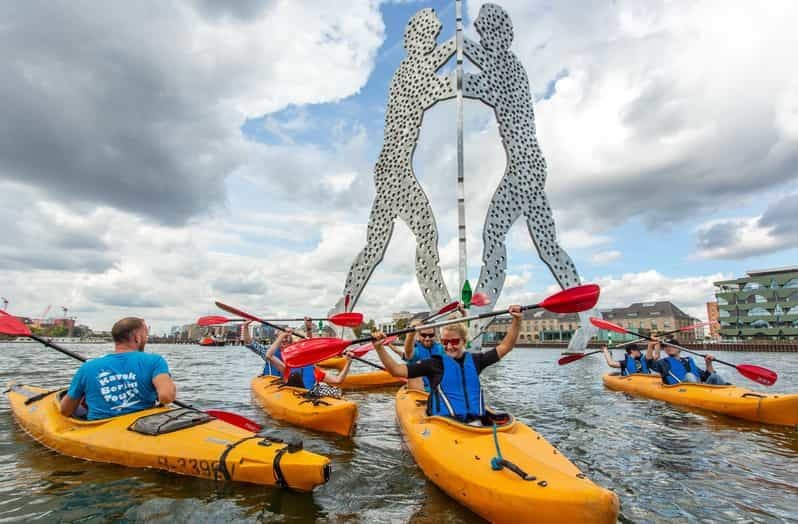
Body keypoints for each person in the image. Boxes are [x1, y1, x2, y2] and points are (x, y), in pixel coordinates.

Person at [372, 305, 522, 422]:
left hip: (476, 423)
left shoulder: (477, 360)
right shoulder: (433, 364)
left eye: (455, 341)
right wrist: (379, 348)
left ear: (464, 341)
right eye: (445, 342)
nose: (449, 347)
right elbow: (396, 370)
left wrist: (517, 320)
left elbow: (505, 347)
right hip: (443, 424)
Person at [60, 317, 176, 420]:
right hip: (139, 427)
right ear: (137, 337)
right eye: (146, 335)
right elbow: (166, 397)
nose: (146, 338)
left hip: (98, 431)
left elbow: (65, 410)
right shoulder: (154, 361)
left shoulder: (88, 367)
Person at [265, 322, 353, 396]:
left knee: (335, 390)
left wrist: (348, 362)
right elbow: (269, 356)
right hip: (293, 397)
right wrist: (283, 335)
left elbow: (338, 380)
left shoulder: (314, 371)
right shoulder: (287, 368)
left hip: (310, 396)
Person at [648, 338, 727, 385]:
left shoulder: (688, 361)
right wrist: (650, 346)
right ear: (664, 350)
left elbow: (706, 376)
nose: (669, 348)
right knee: (689, 375)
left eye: (672, 346)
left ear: (679, 348)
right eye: (666, 347)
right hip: (679, 389)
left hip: (700, 389)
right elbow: (649, 363)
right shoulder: (663, 363)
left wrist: (708, 363)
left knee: (714, 376)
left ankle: (728, 392)